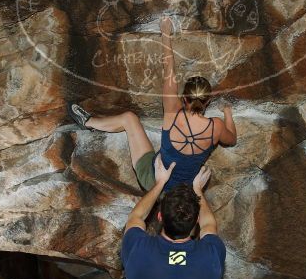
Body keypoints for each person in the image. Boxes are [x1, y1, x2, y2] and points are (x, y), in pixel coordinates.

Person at [67, 15, 237, 191]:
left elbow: (169, 68)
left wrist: (165, 33)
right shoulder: (216, 127)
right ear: (208, 100)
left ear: (184, 98)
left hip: (155, 182)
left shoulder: (173, 110)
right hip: (182, 195)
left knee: (129, 119)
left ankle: (88, 122)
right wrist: (228, 114)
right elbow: (231, 139)